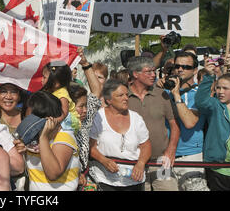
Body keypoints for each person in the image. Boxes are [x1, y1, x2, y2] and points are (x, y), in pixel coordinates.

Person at [126, 56, 180, 191]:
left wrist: (171, 150)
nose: (153, 75)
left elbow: (174, 124)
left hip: (162, 162)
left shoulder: (162, 95)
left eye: (154, 71)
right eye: (148, 71)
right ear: (135, 74)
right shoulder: (122, 96)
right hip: (132, 163)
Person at [89, 79, 151, 191]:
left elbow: (146, 145)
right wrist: (104, 160)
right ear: (109, 100)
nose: (126, 98)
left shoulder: (136, 118)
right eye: (120, 95)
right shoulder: (98, 117)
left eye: (127, 95)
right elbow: (90, 147)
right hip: (105, 179)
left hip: (134, 179)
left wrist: (141, 164)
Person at [15, 91, 80, 191]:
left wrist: (43, 138)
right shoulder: (30, 138)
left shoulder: (64, 136)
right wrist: (22, 153)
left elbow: (53, 173)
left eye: (34, 121)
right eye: (26, 118)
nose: (29, 125)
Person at [166, 51, 209, 190]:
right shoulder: (164, 93)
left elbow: (190, 122)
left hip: (190, 156)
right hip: (165, 158)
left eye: (186, 67)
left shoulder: (200, 95)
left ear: (195, 70)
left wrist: (177, 95)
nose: (180, 69)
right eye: (177, 66)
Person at [194, 65, 230, 191]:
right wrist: (209, 77)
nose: (220, 91)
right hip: (220, 169)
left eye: (225, 88)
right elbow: (201, 101)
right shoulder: (216, 106)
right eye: (218, 87)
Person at [41, 61, 80, 133]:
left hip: (70, 123)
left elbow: (64, 114)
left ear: (56, 83)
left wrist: (54, 121)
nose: (41, 80)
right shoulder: (51, 91)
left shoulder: (62, 94)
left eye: (44, 77)